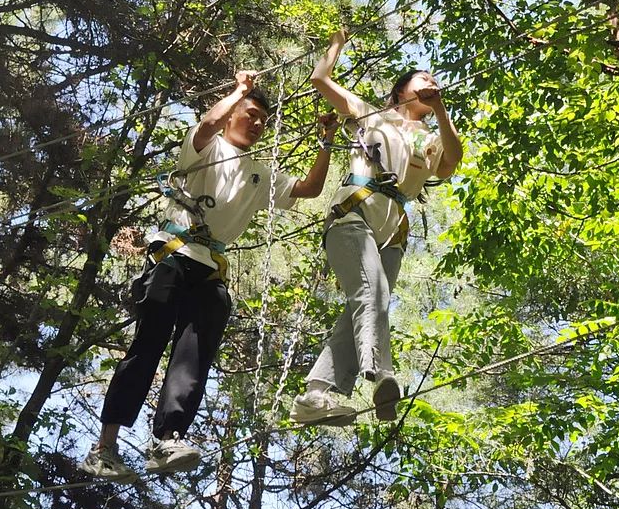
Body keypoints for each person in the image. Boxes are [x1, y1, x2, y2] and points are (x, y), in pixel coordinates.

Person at [80, 71, 340, 479]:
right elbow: (206, 124)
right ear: (233, 113)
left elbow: (309, 189)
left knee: (193, 359)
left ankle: (168, 438)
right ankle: (104, 447)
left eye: (262, 121)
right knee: (147, 347)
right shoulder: (204, 149)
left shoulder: (261, 175)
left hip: (209, 269)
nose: (256, 124)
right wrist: (238, 90)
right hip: (173, 254)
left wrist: (325, 142)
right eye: (249, 114)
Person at [290, 29, 463, 426]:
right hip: (354, 212)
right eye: (423, 81)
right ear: (402, 91)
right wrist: (335, 45)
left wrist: (440, 112)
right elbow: (320, 81)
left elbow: (452, 163)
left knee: (369, 303)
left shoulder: (431, 140)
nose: (431, 85)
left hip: (393, 229)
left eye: (434, 83)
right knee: (373, 293)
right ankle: (381, 373)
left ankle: (316, 395)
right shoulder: (370, 115)